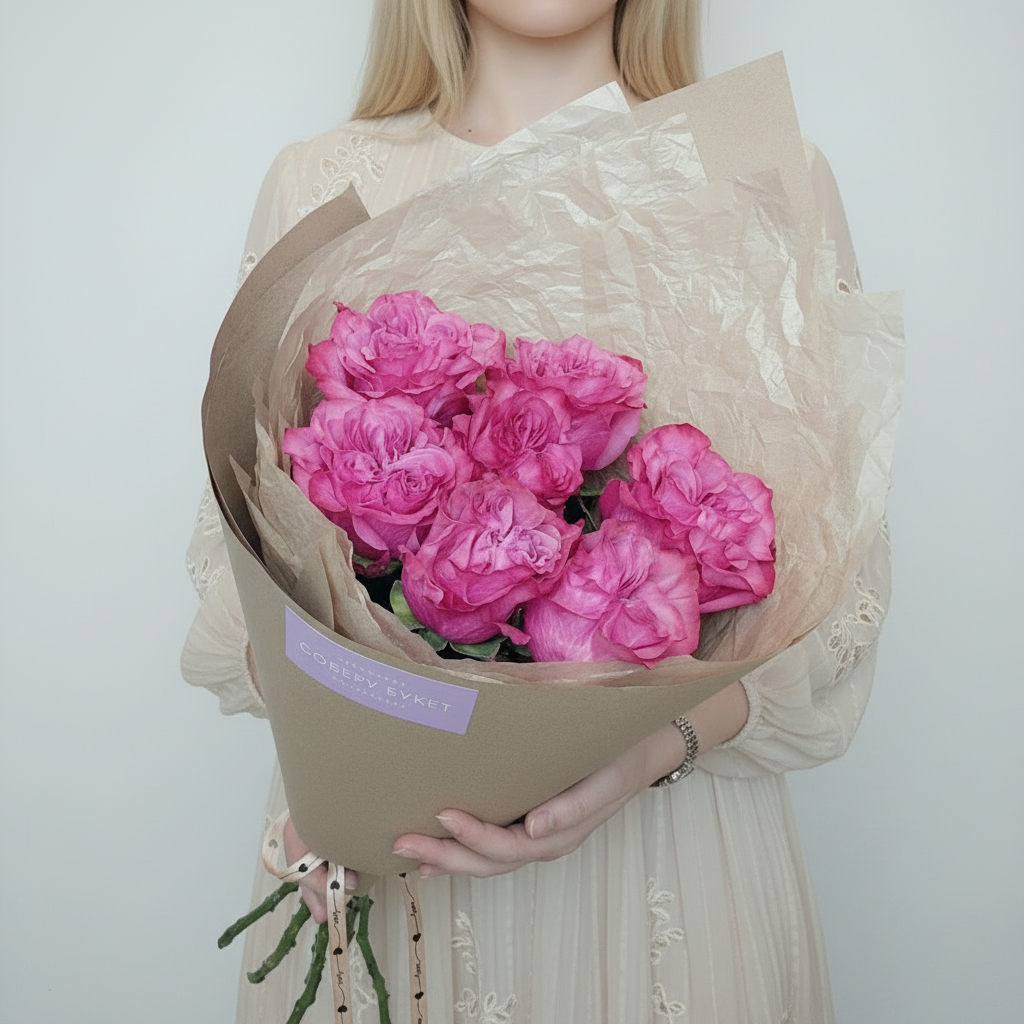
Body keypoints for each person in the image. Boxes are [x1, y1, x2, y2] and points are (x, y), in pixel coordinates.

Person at [182, 1, 891, 1020]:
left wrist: (645, 752)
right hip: (395, 866)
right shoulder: (322, 181)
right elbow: (239, 572)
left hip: (666, 863)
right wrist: (363, 757)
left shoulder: (763, 169)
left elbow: (837, 603)